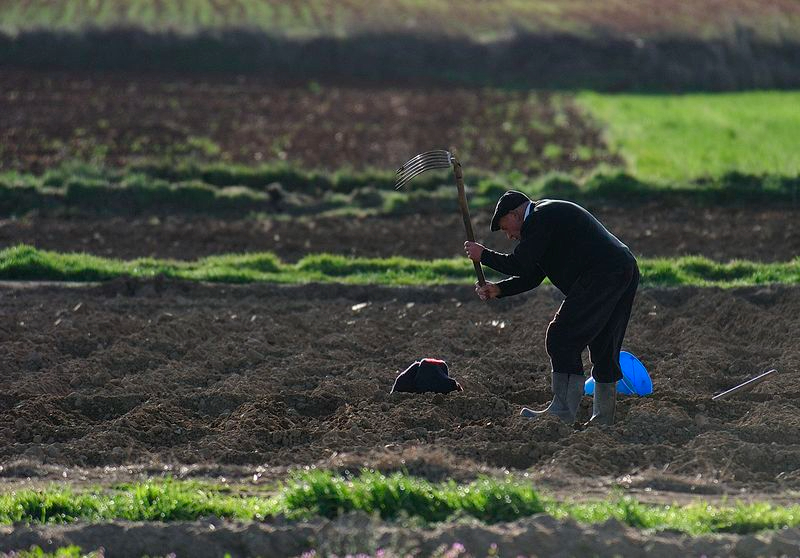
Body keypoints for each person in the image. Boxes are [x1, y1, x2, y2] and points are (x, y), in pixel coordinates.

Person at [464, 190, 639, 426]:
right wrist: (499, 289)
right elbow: (533, 274)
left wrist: (483, 255)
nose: (509, 236)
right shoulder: (545, 220)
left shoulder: (539, 217)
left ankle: (561, 413)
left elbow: (519, 263)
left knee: (561, 337)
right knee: (603, 344)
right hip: (622, 267)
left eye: (507, 228)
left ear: (515, 214)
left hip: (603, 273)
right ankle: (603, 419)